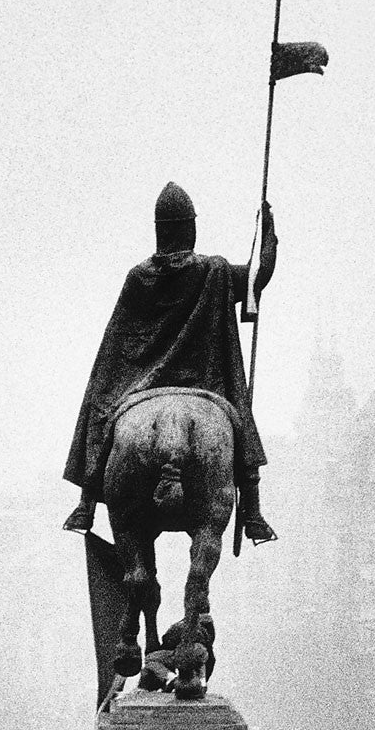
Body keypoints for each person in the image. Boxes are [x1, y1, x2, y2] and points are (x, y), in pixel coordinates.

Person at [63, 182, 278, 542]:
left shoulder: (138, 277)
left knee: (101, 393)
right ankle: (252, 509)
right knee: (238, 417)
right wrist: (270, 237)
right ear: (190, 228)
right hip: (204, 385)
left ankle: (86, 500)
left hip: (140, 386)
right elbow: (262, 276)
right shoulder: (216, 272)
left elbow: (116, 347)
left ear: (160, 231)